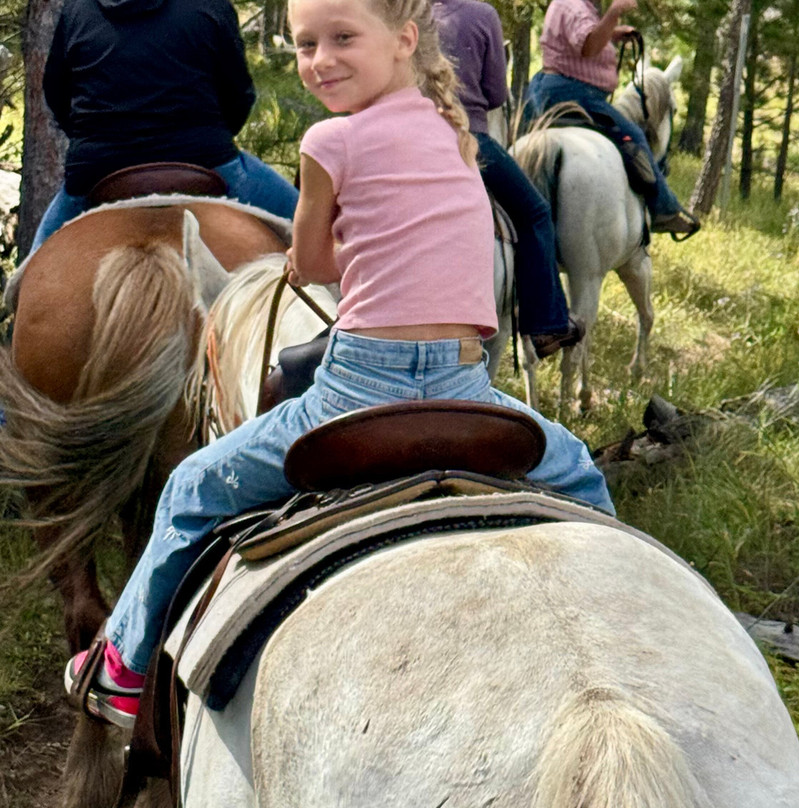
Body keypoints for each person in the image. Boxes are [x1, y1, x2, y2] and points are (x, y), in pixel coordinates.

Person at [63, 0, 615, 728]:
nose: (320, 59)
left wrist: (304, 254)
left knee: (192, 487)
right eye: (305, 44)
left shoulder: (328, 140)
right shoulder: (457, 134)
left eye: (342, 38)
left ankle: (126, 669)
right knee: (580, 473)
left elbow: (315, 262)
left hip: (360, 387)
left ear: (405, 40)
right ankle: (611, 616)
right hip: (464, 381)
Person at [32, 0, 300, 252]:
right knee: (307, 223)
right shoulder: (210, 4)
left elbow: (56, 93)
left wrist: (98, 141)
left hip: (97, 168)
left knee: (33, 274)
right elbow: (239, 94)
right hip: (205, 159)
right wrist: (208, 139)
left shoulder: (78, 8)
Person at [432, 0, 583, 359]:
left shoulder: (407, 12)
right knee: (535, 214)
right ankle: (546, 325)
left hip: (407, 133)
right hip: (467, 137)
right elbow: (497, 94)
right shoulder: (482, 15)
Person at [524, 0, 699, 239]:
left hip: (552, 86)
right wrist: (614, 12)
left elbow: (576, 40)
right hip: (575, 93)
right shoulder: (574, 5)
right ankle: (664, 210)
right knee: (634, 136)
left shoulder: (571, 5)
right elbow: (587, 46)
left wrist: (612, 33)